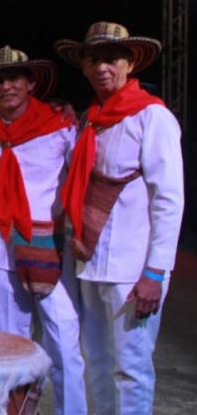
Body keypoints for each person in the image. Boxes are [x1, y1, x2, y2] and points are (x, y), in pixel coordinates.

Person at [0, 45, 86, 414]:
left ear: (30, 83)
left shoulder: (60, 126)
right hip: (2, 247)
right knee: (8, 346)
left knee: (63, 344)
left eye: (14, 78)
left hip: (49, 246)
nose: (6, 86)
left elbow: (83, 174)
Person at [55, 21, 184, 414]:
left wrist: (156, 272)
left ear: (130, 64)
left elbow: (169, 200)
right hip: (89, 260)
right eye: (93, 59)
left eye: (112, 58)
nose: (102, 67)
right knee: (94, 359)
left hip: (132, 268)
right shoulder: (90, 119)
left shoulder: (152, 117)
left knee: (130, 368)